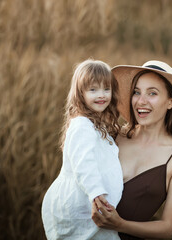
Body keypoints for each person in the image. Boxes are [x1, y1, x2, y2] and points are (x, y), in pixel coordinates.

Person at [91, 60, 172, 239]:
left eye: (152, 93)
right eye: (136, 92)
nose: (141, 101)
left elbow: (166, 229)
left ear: (171, 102)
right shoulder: (115, 136)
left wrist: (120, 225)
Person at [41, 59, 123, 240]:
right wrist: (96, 193)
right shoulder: (82, 125)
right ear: (80, 94)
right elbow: (83, 163)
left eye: (106, 89)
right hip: (82, 203)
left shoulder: (96, 125)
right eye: (93, 90)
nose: (101, 95)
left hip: (92, 204)